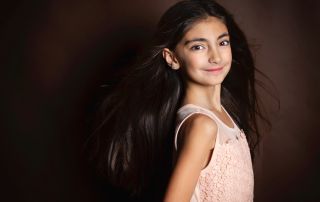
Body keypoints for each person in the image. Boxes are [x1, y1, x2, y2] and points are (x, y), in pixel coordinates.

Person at [89, 0, 271, 201]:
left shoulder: (223, 115)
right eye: (198, 46)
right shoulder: (202, 126)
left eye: (222, 42)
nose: (215, 57)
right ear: (172, 58)